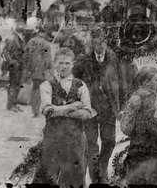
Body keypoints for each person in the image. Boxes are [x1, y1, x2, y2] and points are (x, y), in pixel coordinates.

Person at [74, 24, 127, 184]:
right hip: (89, 109)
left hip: (108, 109)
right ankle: (96, 176)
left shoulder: (114, 59)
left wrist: (122, 106)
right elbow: (74, 84)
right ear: (92, 41)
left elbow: (122, 83)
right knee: (91, 143)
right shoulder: (83, 61)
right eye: (96, 40)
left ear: (106, 42)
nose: (100, 43)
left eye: (103, 40)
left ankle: (102, 167)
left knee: (109, 141)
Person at [37, 45, 95, 188]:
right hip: (52, 139)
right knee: (47, 178)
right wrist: (73, 106)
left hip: (75, 140)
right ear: (54, 64)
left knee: (74, 181)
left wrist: (59, 109)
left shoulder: (81, 85)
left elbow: (87, 113)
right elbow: (47, 111)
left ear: (73, 65)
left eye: (67, 63)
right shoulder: (46, 85)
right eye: (60, 63)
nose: (64, 67)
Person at [24, 28, 55, 118]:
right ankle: (38, 110)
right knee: (40, 90)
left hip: (32, 69)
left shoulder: (31, 42)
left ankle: (35, 110)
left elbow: (25, 54)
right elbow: (48, 60)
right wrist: (51, 71)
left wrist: (27, 67)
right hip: (42, 71)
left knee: (35, 89)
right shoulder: (46, 44)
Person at [0, 28, 27, 112]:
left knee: (17, 85)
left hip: (19, 66)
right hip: (14, 67)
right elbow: (5, 52)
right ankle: (10, 105)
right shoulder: (12, 39)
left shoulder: (21, 39)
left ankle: (14, 104)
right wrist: (12, 62)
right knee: (13, 85)